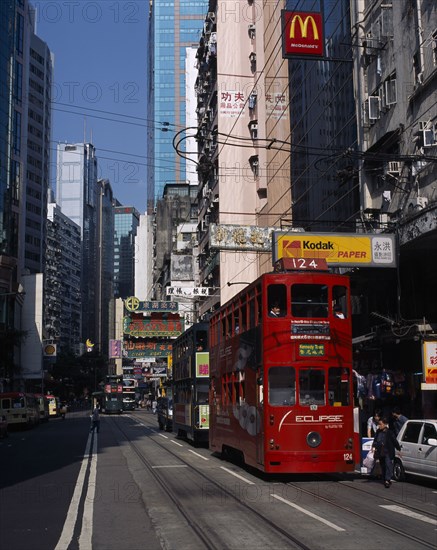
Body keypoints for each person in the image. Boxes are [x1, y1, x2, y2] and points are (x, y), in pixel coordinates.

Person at [372, 417, 401, 488]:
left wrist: (398, 448)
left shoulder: (390, 432)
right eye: (379, 424)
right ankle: (385, 478)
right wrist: (375, 446)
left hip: (388, 451)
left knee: (388, 465)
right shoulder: (378, 432)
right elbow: (375, 441)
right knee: (383, 465)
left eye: (381, 424)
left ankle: (387, 480)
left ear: (385, 424)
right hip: (380, 452)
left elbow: (394, 441)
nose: (379, 426)